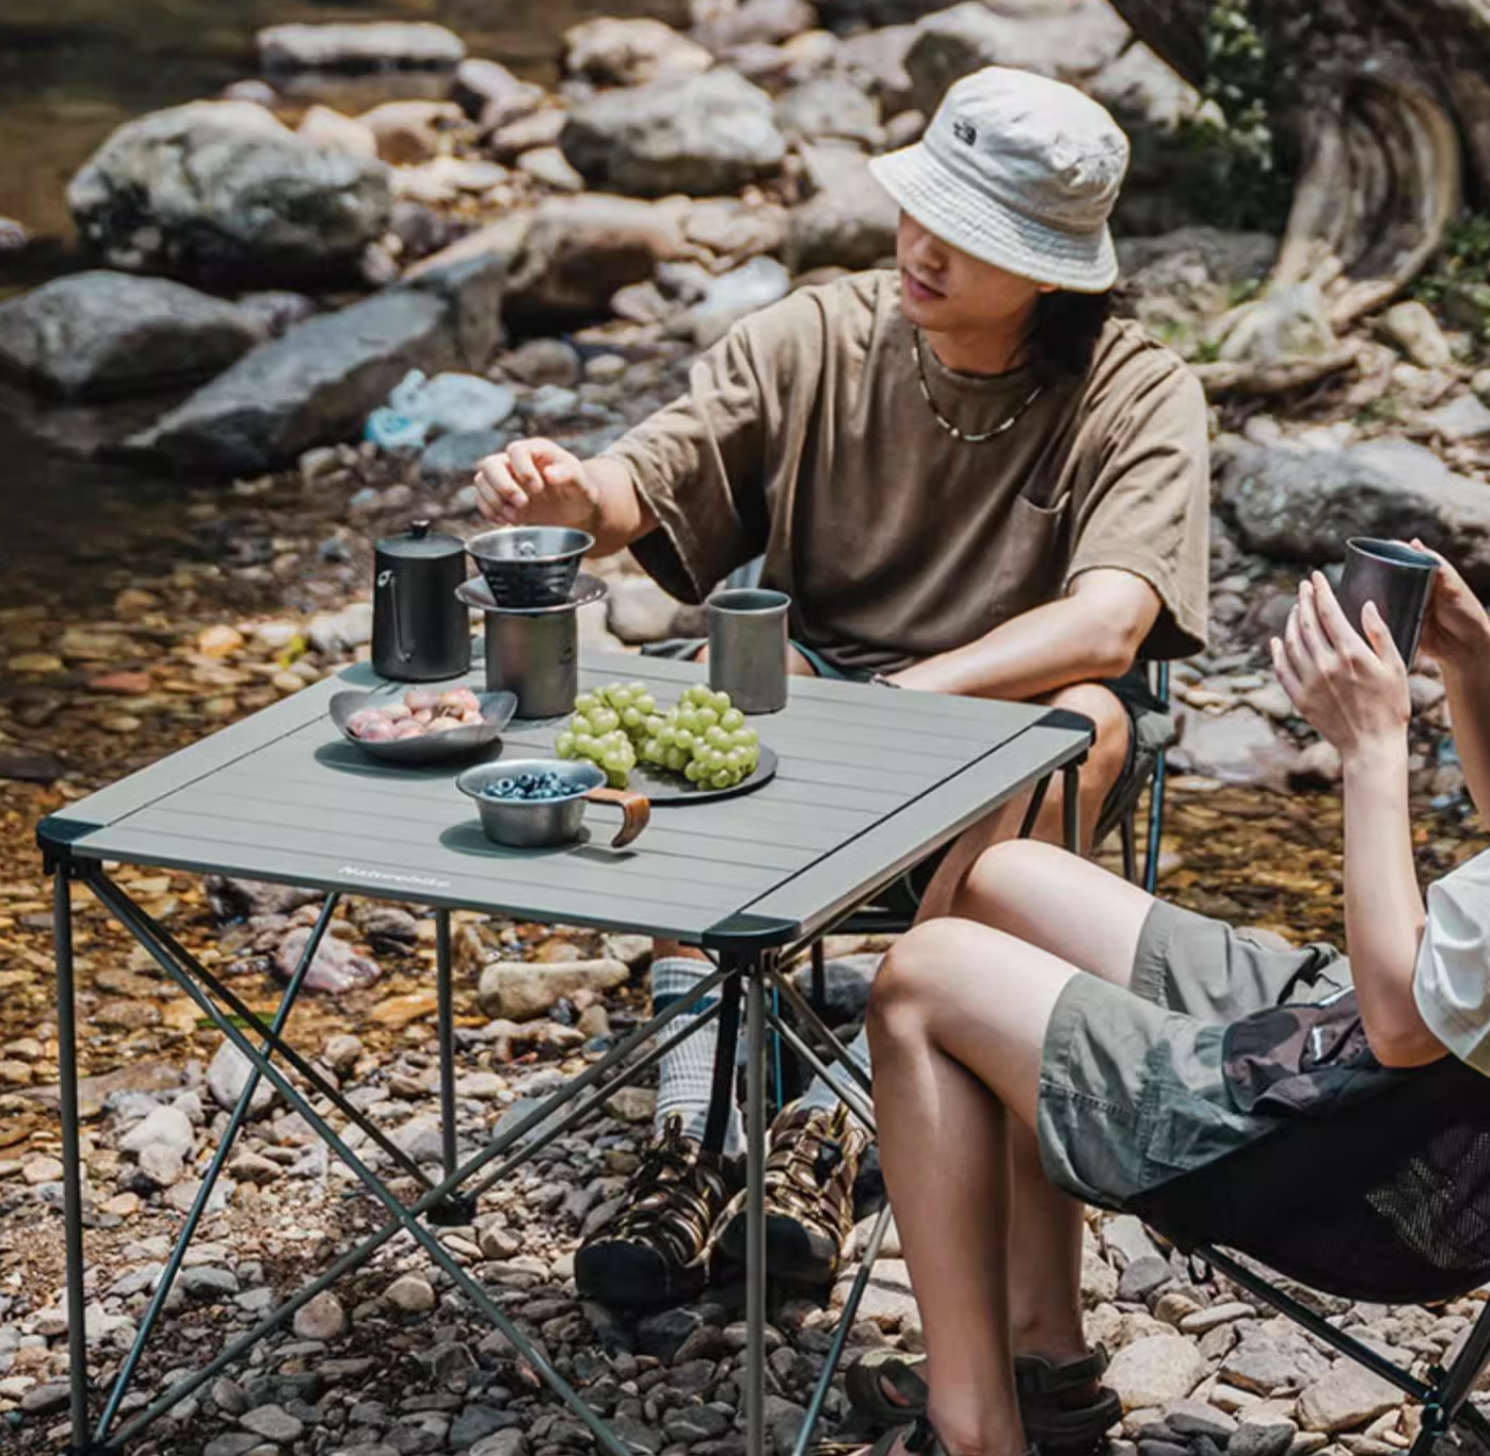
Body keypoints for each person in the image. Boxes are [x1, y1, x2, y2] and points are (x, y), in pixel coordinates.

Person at [473, 64, 1210, 1338]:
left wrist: (907, 701)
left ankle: (836, 1118)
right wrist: (564, 496)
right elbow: (642, 477)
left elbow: (1111, 619)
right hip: (808, 696)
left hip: (996, 728)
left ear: (1052, 272)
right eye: (921, 208)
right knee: (713, 678)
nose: (921, 246)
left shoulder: (1135, 392)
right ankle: (685, 1142)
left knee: (1090, 715)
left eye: (970, 237)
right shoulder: (817, 335)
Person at [852, 550, 1490, 1456]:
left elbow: (1398, 1029)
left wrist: (1372, 745)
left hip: (1364, 1163)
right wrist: (1471, 662)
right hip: (1397, 1069)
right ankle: (1043, 1348)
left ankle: (975, 1430)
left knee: (922, 979)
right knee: (1006, 882)